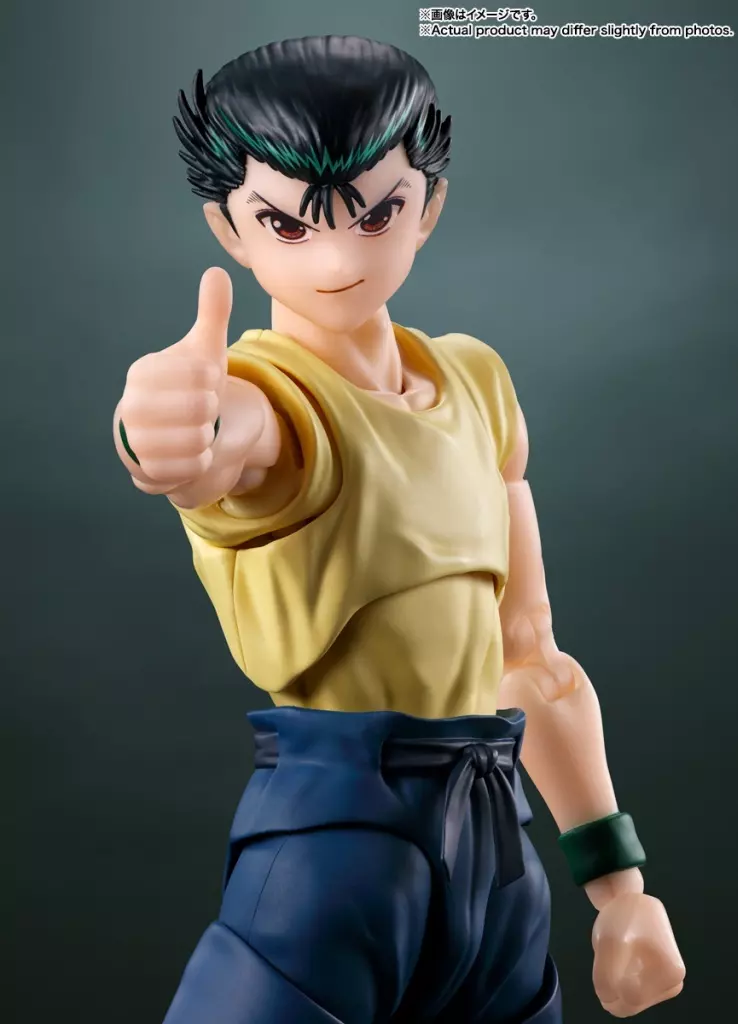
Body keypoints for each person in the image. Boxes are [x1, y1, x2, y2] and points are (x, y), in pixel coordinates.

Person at [113, 35, 685, 1024]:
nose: (340, 257)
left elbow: (531, 656)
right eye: (287, 224)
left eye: (377, 212)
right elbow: (218, 442)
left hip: (495, 843)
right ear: (229, 229)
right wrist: (159, 429)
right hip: (334, 838)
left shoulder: (477, 383)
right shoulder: (269, 398)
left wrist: (619, 886)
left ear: (429, 205)